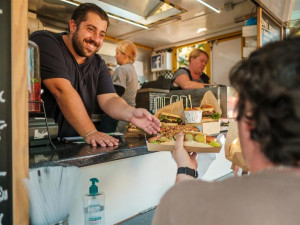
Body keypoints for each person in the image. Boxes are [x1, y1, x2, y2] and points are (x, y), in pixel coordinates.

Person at [152, 37, 300, 225]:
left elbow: (181, 206)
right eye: (202, 61)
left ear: (246, 124)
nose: (204, 65)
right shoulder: (182, 72)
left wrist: (185, 170)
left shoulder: (183, 203)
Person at [29, 3, 160, 147]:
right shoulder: (46, 41)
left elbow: (110, 99)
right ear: (73, 26)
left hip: (74, 143)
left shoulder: (98, 64)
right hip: (37, 142)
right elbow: (62, 90)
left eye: (101, 35)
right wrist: (91, 131)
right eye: (91, 29)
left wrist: (131, 113)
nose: (96, 39)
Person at [112, 40, 139, 133]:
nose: (115, 56)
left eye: (117, 53)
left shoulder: (121, 69)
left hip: (119, 113)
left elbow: (118, 91)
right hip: (131, 111)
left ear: (124, 55)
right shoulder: (133, 69)